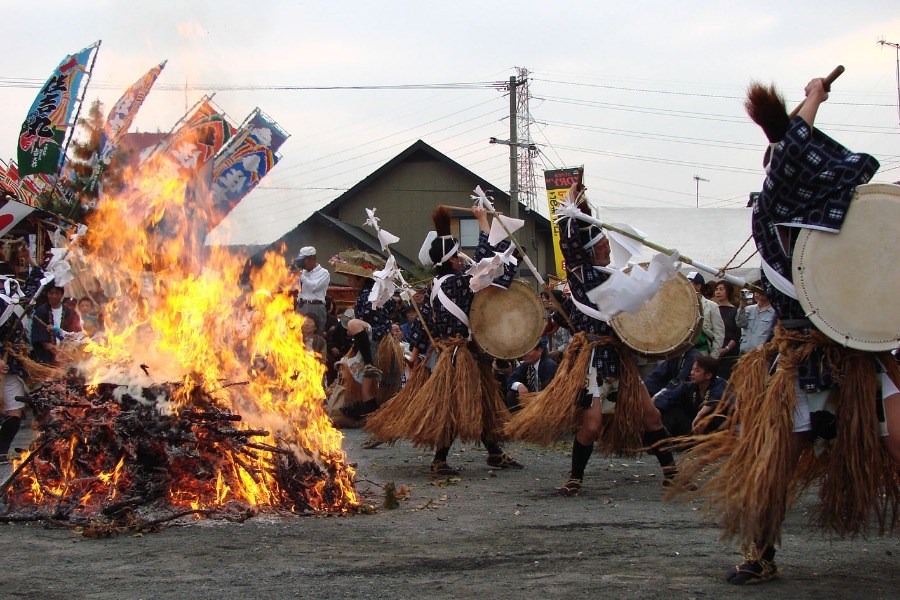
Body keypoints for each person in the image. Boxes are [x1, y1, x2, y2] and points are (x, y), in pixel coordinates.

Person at [673, 77, 898, 585]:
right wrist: (814, 98)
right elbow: (792, 147)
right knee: (774, 463)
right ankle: (761, 553)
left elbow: (795, 146)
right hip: (803, 360)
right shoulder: (772, 213)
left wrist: (806, 106)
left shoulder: (843, 215)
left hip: (860, 351)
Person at [505, 194, 681, 496]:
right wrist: (572, 212)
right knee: (592, 424)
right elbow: (570, 245)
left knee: (651, 415)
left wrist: (664, 269)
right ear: (588, 251)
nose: (607, 251)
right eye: (601, 247)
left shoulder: (614, 276)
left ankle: (671, 473)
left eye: (608, 246)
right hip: (592, 361)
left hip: (620, 356)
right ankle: (575, 478)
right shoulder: (580, 274)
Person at [365, 205, 522, 475]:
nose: (463, 259)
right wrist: (483, 221)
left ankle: (494, 452)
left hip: (457, 353)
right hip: (458, 356)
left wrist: (415, 355)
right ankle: (440, 459)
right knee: (453, 404)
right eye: (458, 256)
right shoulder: (458, 283)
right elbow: (490, 261)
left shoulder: (434, 286)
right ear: (451, 261)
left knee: (482, 400)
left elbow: (424, 325)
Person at [329, 250, 403, 418]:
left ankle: (369, 366)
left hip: (377, 337)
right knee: (365, 385)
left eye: (351, 278)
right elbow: (391, 307)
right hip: (373, 337)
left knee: (353, 323)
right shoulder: (373, 292)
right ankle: (369, 410)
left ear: (361, 278)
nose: (348, 280)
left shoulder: (369, 293)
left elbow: (379, 313)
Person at [643, 271, 725, 397]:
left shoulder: (711, 306)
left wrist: (712, 358)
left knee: (694, 384)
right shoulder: (681, 304)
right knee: (675, 378)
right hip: (681, 350)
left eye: (690, 283)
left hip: (701, 351)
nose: (685, 286)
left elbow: (719, 332)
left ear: (698, 286)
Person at [652, 355, 726, 437]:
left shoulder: (721, 384)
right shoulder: (689, 386)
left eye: (697, 371)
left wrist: (700, 414)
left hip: (717, 430)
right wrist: (654, 408)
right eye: (692, 369)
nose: (692, 373)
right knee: (669, 408)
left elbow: (716, 397)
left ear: (708, 375)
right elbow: (669, 396)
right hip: (693, 427)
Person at [30, 285, 78, 366]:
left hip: (66, 353)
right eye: (51, 293)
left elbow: (74, 331)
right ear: (47, 294)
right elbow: (38, 333)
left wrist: (65, 347)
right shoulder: (40, 312)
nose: (54, 296)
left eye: (57, 293)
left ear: (61, 294)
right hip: (47, 355)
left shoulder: (70, 312)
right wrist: (49, 346)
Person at [504, 341, 558, 412]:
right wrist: (519, 385)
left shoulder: (549, 365)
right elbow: (510, 379)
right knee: (511, 394)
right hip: (530, 404)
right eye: (523, 351)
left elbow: (547, 392)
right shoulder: (526, 365)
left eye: (528, 350)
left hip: (546, 405)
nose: (524, 354)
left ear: (539, 350)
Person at [293, 246, 330, 334]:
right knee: (297, 334)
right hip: (301, 305)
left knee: (316, 334)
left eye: (303, 260)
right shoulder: (302, 272)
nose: (301, 263)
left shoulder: (324, 273)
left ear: (312, 259)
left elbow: (314, 287)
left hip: (315, 306)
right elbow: (293, 288)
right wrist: (292, 275)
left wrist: (301, 276)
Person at [712, 280, 740, 379]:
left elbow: (737, 334)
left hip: (729, 353)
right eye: (716, 289)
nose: (718, 292)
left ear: (728, 292)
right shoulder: (713, 309)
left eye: (721, 289)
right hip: (713, 350)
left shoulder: (735, 311)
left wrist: (726, 349)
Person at [736, 285, 775, 354]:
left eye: (760, 291)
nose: (756, 294)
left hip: (761, 353)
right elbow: (740, 324)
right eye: (755, 291)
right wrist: (742, 306)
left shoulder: (774, 312)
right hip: (745, 351)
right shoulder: (749, 309)